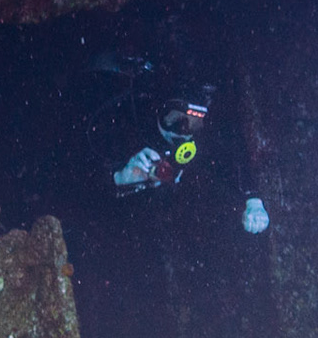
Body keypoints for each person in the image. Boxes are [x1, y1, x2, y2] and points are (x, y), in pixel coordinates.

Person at [110, 83, 269, 234]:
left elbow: (228, 167)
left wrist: (253, 200)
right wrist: (120, 178)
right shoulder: (128, 132)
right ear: (160, 112)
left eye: (194, 123)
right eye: (175, 119)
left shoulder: (200, 148)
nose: (183, 131)